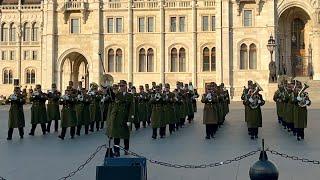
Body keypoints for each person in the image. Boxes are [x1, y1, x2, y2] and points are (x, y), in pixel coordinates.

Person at [109, 80, 134, 157]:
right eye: (120, 86)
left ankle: (126, 149)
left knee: (126, 136)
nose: (121, 87)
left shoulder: (130, 96)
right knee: (116, 136)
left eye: (123, 86)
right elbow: (111, 95)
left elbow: (131, 108)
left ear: (126, 86)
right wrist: (108, 86)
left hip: (125, 118)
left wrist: (130, 119)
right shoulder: (117, 94)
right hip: (117, 118)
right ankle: (116, 151)